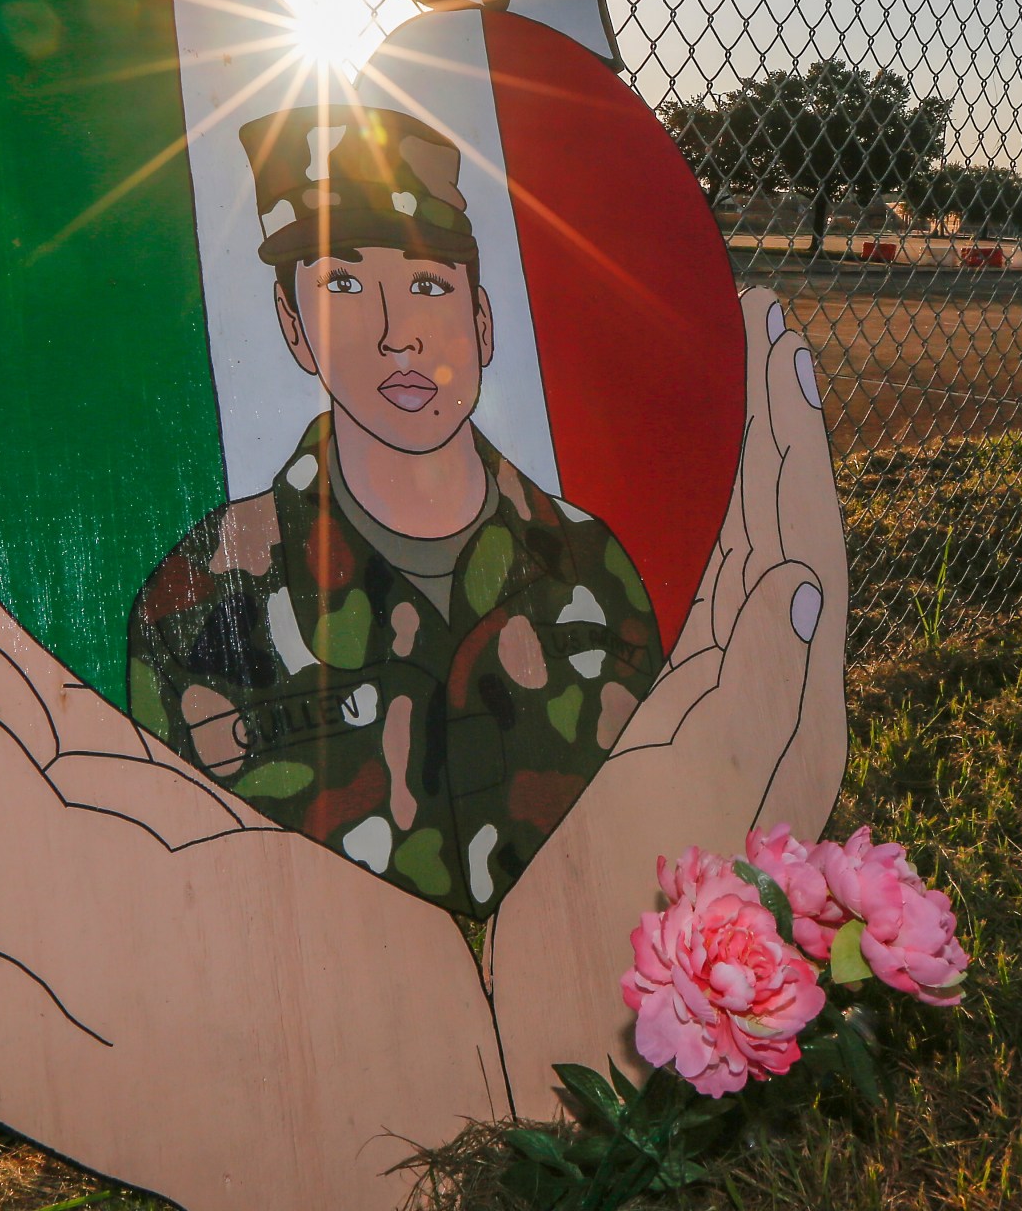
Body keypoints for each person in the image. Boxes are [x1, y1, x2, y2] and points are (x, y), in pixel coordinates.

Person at [126, 104, 662, 915]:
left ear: (481, 321)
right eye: (342, 284)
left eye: (427, 284)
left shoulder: (591, 568)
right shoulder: (199, 602)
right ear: (293, 328)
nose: (396, 336)